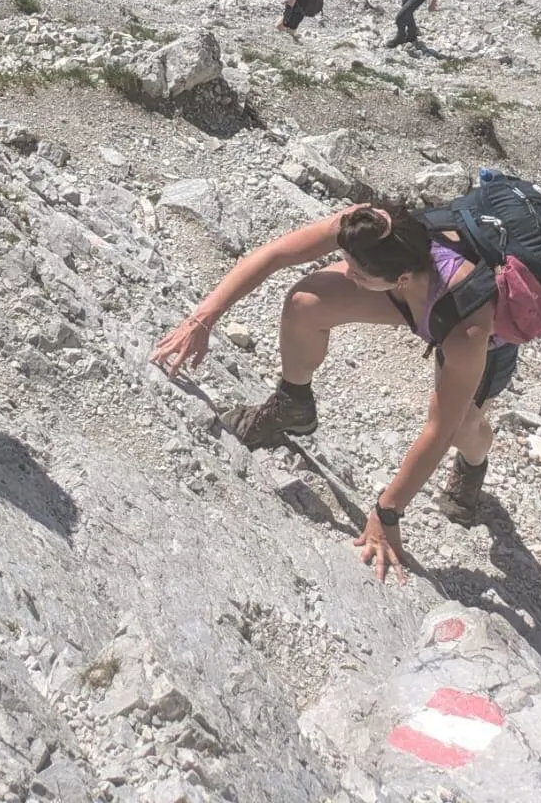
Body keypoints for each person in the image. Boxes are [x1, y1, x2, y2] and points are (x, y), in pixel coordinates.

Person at [152, 200, 514, 581]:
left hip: (476, 333)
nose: (347, 274)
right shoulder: (372, 228)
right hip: (417, 296)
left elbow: (438, 430)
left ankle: (474, 464)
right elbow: (275, 255)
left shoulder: (468, 328)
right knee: (306, 302)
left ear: (400, 279)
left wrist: (387, 513)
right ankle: (293, 403)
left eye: (357, 272)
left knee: (461, 428)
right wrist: (202, 319)